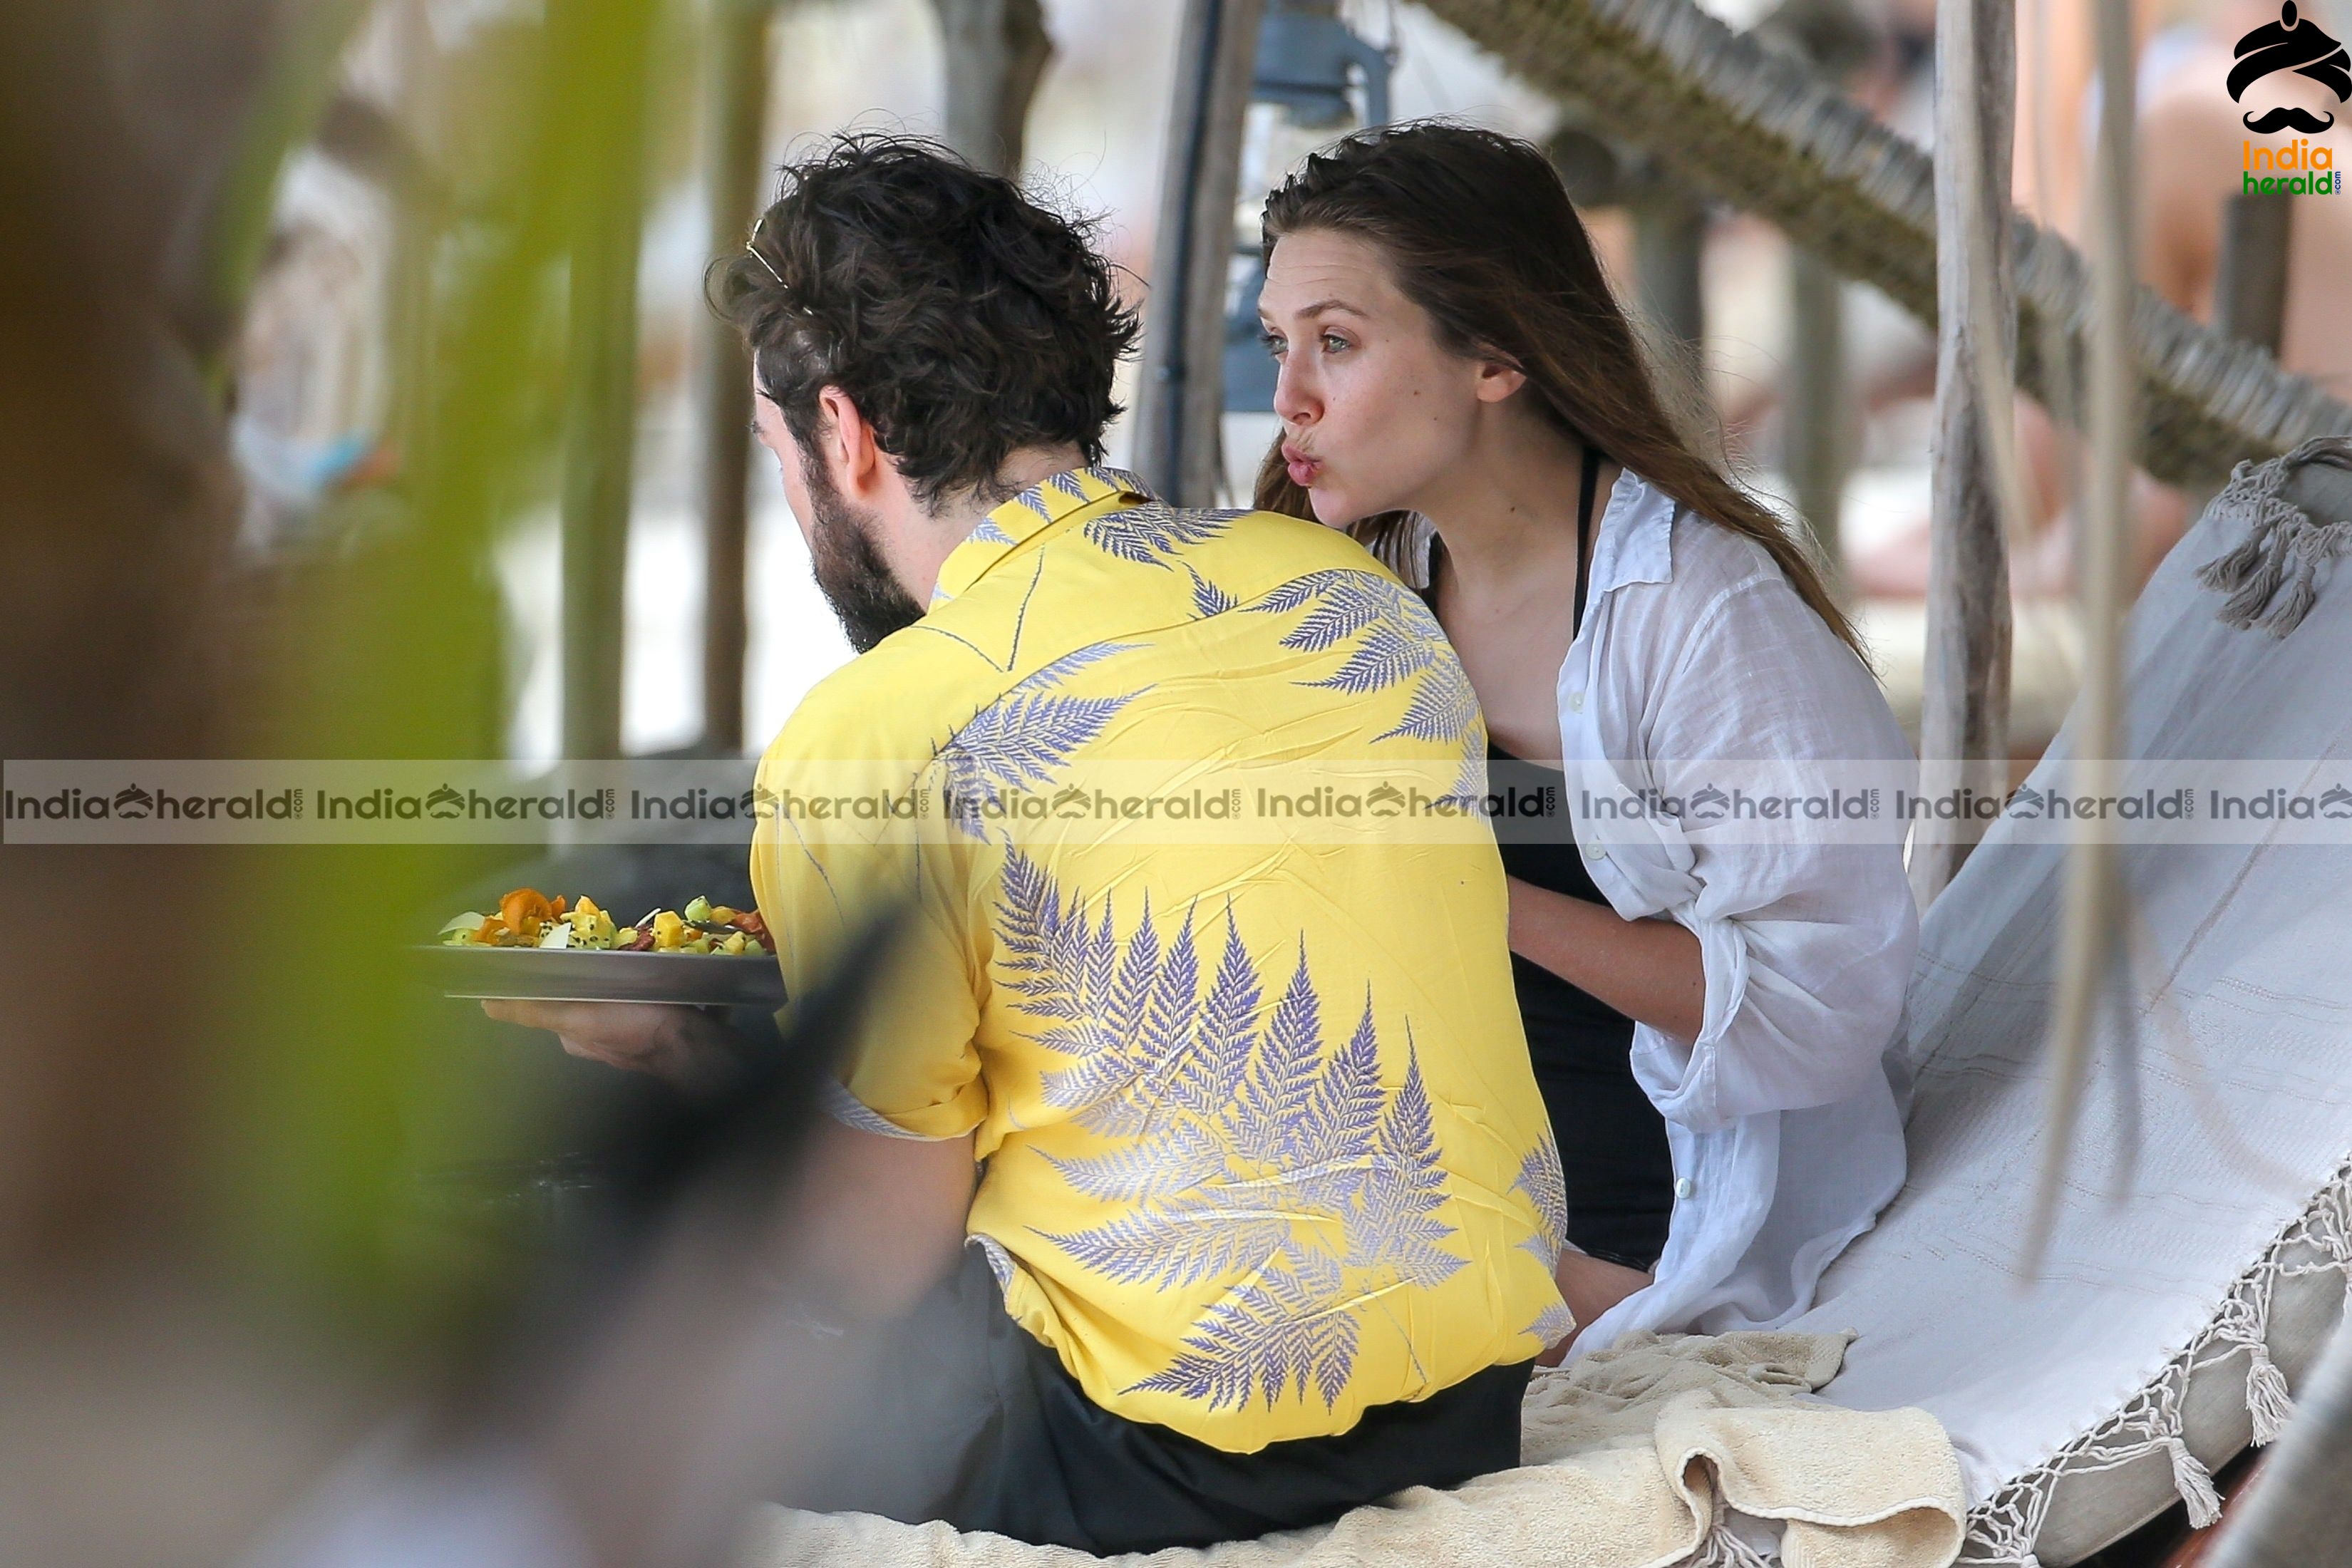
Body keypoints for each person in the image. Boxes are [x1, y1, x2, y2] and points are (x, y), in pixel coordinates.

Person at [484, 133, 1569, 1554]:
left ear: (846, 433)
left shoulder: (881, 729)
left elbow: (878, 1248)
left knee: (566, 1291)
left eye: (778, 457)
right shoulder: (1347, 593)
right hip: (1470, 1391)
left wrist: (677, 1058)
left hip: (1156, 1456)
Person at [1252, 123, 1919, 1353]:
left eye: (1336, 343)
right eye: (1278, 343)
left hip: (1637, 1234)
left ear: (1496, 357)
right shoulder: (1364, 577)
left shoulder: (1703, 616)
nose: (1289, 398)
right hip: (1432, 1166)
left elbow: (1822, 1006)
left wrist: (1462, 883)